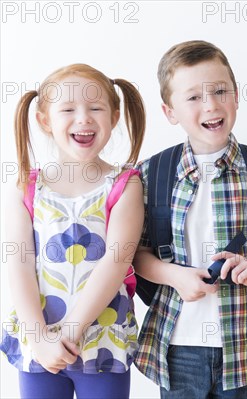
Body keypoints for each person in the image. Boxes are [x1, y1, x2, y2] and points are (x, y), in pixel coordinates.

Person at [132, 40, 247, 399]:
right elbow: (137, 255)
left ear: (236, 97)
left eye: (220, 91)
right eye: (193, 97)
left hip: (245, 342)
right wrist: (175, 276)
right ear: (169, 111)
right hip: (176, 343)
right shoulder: (153, 173)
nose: (211, 105)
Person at [0, 63, 146, 398]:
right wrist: (39, 339)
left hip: (101, 341)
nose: (83, 118)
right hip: (40, 345)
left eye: (95, 108)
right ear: (45, 120)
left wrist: (69, 332)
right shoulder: (26, 186)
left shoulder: (125, 184)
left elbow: (117, 260)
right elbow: (18, 264)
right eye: (68, 109)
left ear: (114, 115)